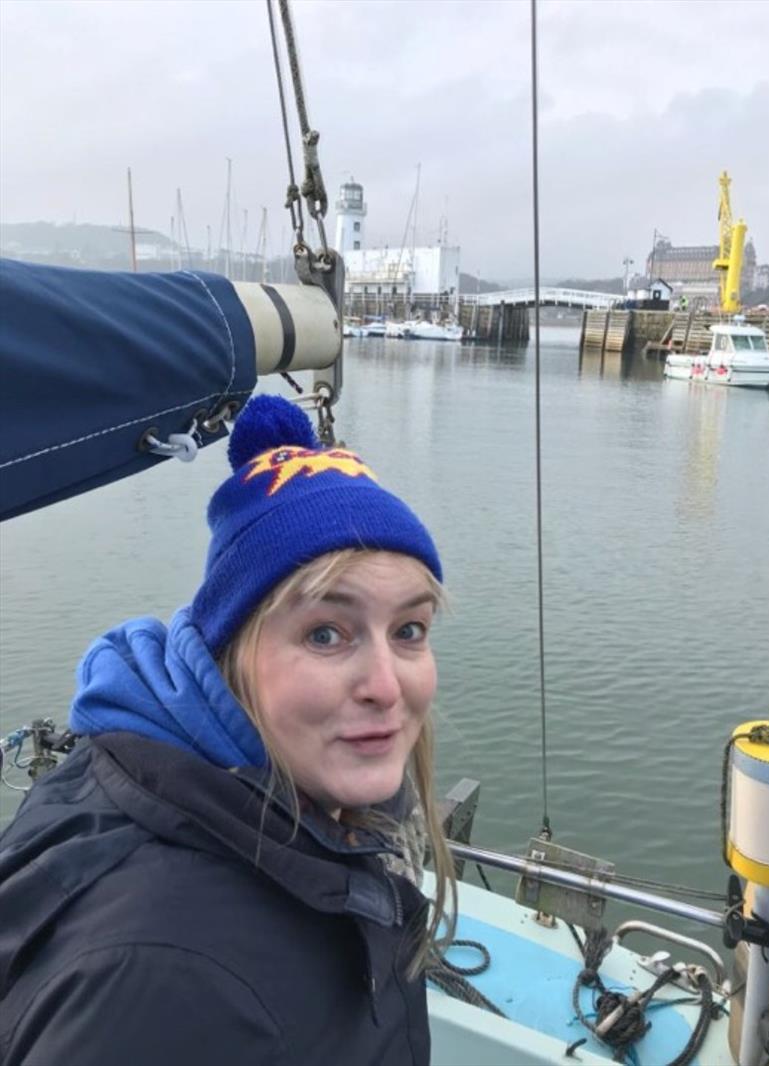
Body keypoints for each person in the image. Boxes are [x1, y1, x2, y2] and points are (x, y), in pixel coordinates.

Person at [0, 395, 456, 1066]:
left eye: (409, 631)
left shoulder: (232, 796)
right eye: (326, 634)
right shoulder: (168, 983)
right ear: (230, 656)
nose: (387, 687)